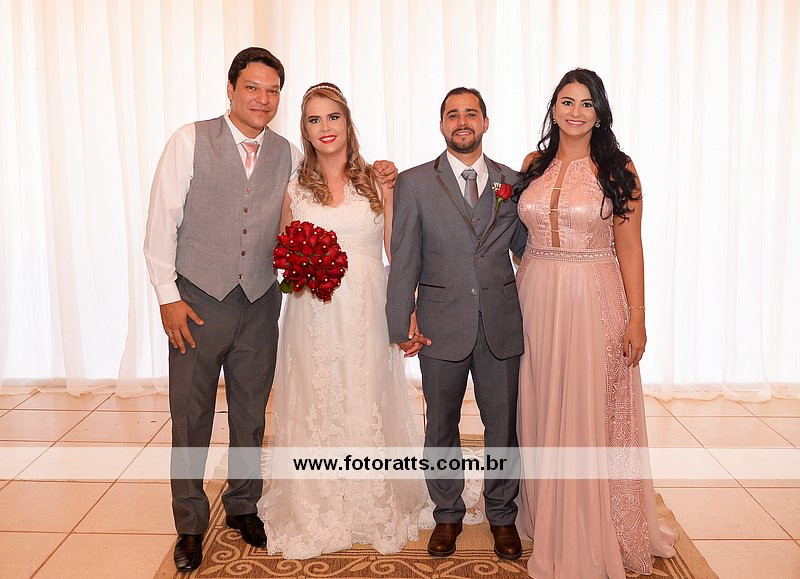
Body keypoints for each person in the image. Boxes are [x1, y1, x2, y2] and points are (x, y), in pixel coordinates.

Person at [144, 49, 396, 572]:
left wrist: (382, 171)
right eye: (252, 88)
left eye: (272, 90)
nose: (262, 99)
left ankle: (243, 504)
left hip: (261, 301)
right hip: (197, 301)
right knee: (190, 414)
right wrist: (168, 296)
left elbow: (326, 194)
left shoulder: (288, 155)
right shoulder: (189, 140)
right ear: (231, 89)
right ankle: (189, 523)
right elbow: (161, 221)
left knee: (250, 412)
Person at [514, 68, 677, 578]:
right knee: (542, 403)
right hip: (534, 295)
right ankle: (545, 512)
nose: (576, 112)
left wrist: (638, 318)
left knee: (588, 408)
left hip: (593, 297)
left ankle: (589, 527)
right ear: (553, 108)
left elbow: (630, 246)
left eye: (587, 104)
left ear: (600, 113)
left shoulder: (618, 169)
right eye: (567, 101)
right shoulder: (533, 164)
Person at [257, 82, 424, 559]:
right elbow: (283, 248)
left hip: (367, 309)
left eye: (333, 117)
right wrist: (299, 268)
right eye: (314, 120)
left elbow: (395, 251)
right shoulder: (294, 186)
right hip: (312, 312)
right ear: (305, 130)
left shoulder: (378, 180)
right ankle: (318, 499)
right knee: (317, 398)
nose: (325, 127)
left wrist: (408, 308)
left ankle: (371, 497)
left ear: (347, 122)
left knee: (366, 396)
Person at [386, 88, 525, 560]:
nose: (462, 121)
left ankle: (501, 513)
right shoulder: (414, 183)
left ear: (486, 122)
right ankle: (447, 512)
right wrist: (400, 322)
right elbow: (404, 257)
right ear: (441, 124)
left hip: (501, 323)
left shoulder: (512, 182)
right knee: (441, 424)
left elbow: (529, 250)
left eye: (471, 113)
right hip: (439, 324)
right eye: (452, 114)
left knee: (503, 426)